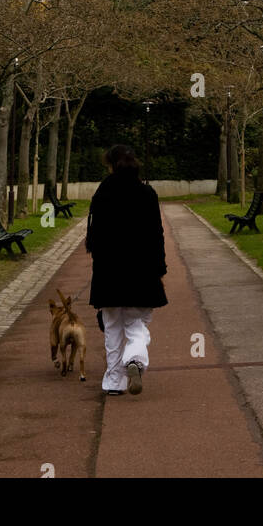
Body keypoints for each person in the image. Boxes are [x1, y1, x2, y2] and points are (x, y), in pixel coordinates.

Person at [85, 144, 167, 396]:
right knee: (136, 324)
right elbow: (157, 234)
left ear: (110, 164)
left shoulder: (103, 193)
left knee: (111, 326)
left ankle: (113, 381)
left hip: (110, 272)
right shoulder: (147, 194)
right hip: (142, 271)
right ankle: (134, 360)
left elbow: (93, 236)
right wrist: (160, 267)